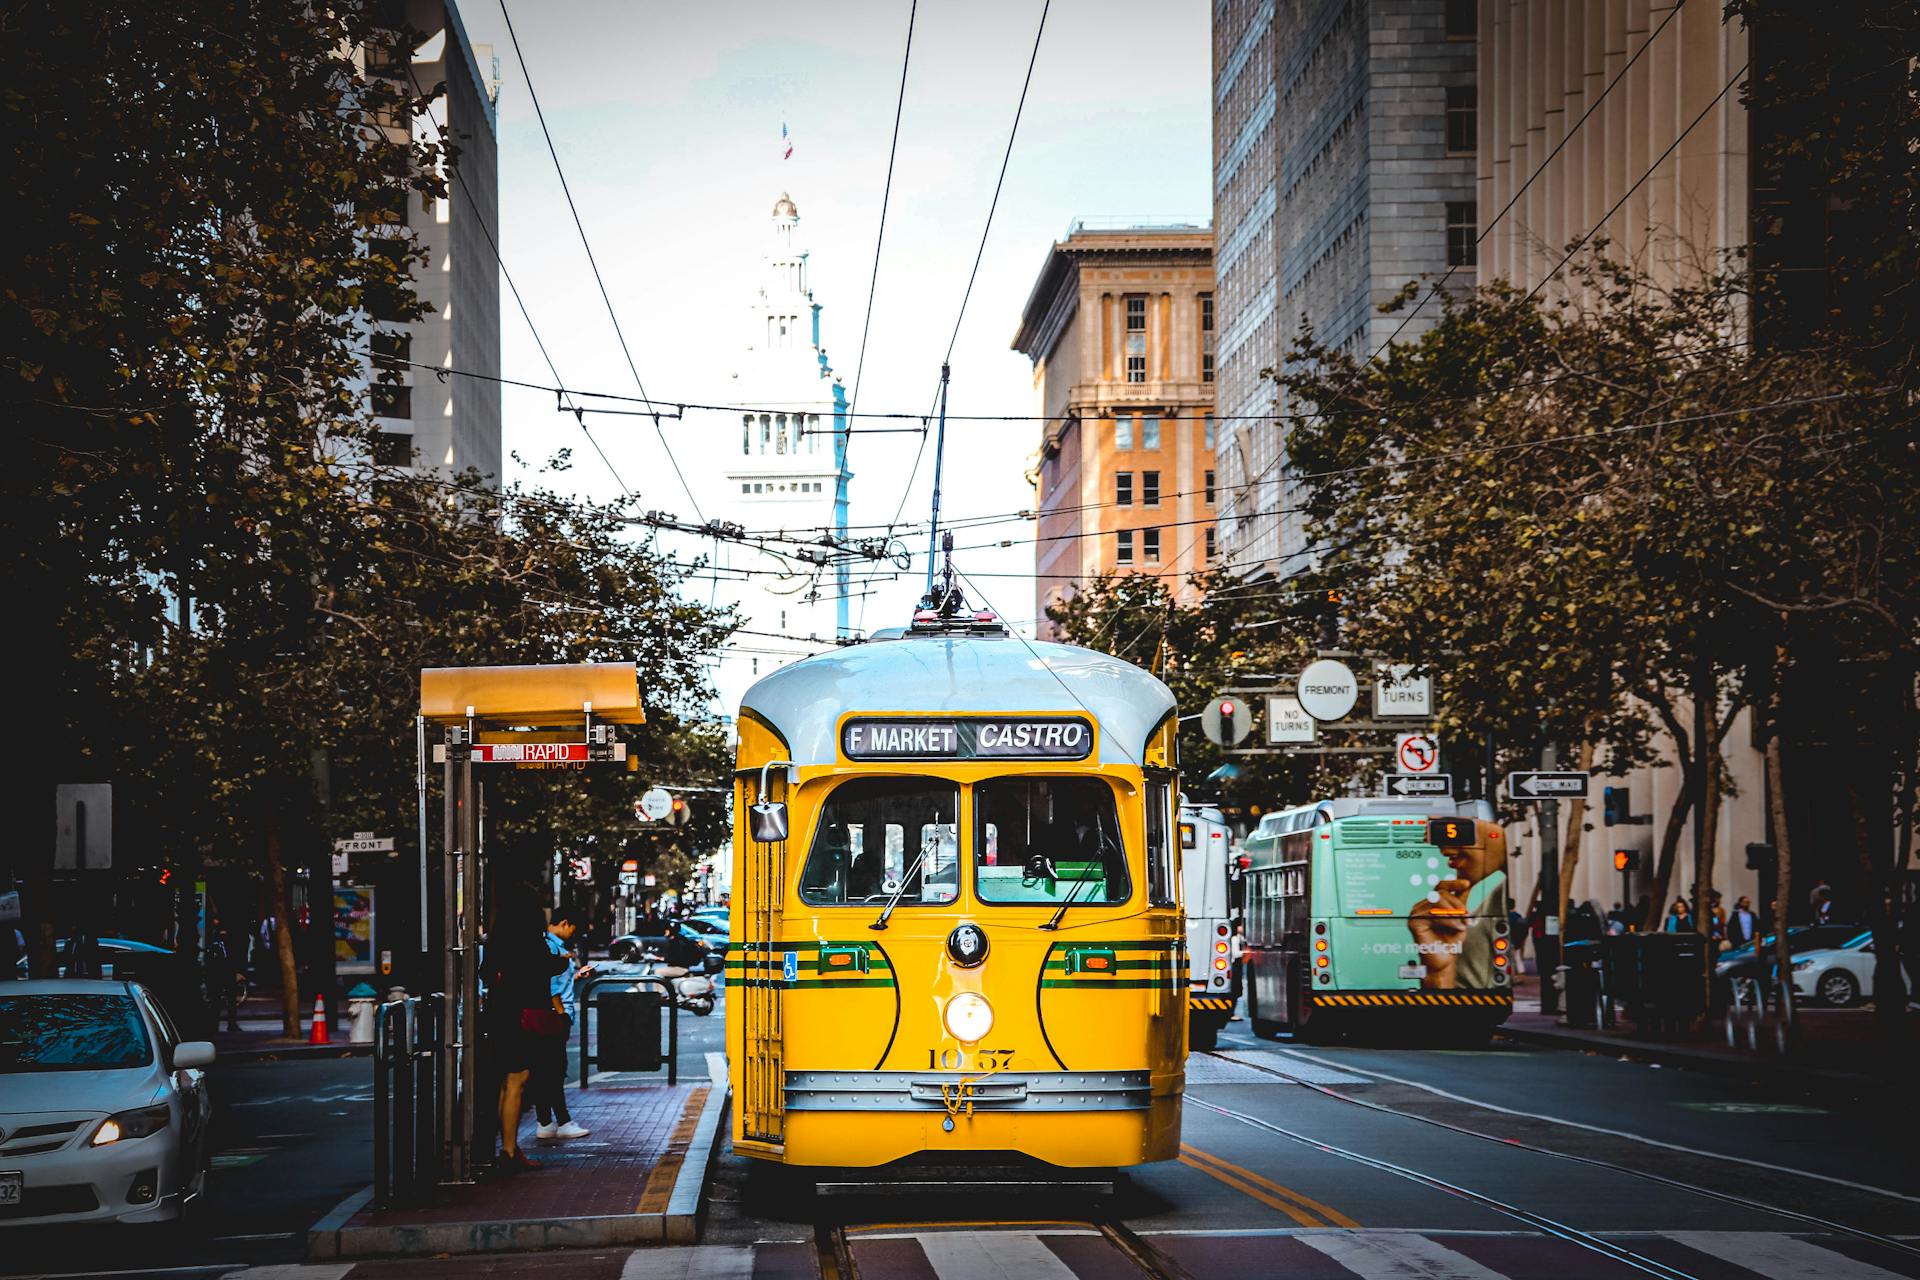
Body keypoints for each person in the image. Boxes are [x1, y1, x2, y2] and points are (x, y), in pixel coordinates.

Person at [482, 885, 569, 1173]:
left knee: (507, 1083)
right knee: (518, 1081)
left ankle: (509, 1147)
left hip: (500, 1015)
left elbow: (486, 973)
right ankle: (508, 1151)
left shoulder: (497, 938)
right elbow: (544, 967)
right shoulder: (530, 940)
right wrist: (562, 961)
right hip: (522, 1017)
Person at [533, 909, 592, 1140]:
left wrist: (576, 976)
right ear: (564, 923)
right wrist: (560, 1014)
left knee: (549, 1069)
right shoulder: (550, 947)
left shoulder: (551, 946)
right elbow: (549, 985)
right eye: (572, 929)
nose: (572, 935)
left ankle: (547, 1121)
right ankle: (559, 1121)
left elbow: (558, 980)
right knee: (553, 1070)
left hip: (556, 1012)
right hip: (555, 1015)